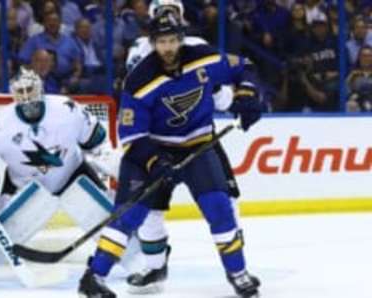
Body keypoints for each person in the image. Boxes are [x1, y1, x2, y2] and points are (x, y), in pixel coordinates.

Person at [78, 12, 263, 298]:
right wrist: (156, 161)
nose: (167, 47)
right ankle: (94, 278)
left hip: (197, 146)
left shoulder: (202, 56)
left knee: (220, 209)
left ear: (181, 39)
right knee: (129, 215)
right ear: (152, 43)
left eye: (172, 40)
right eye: (161, 41)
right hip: (151, 150)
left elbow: (245, 67)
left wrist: (248, 94)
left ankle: (238, 273)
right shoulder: (139, 80)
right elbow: (132, 134)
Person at [0, 69, 114, 283]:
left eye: (30, 89)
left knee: (107, 221)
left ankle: (137, 257)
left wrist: (104, 164)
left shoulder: (67, 109)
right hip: (24, 185)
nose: (26, 96)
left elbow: (97, 140)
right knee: (6, 227)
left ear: (40, 88)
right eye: (21, 91)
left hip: (74, 174)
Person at [123, 1, 243, 294]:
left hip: (199, 139)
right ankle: (154, 267)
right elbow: (132, 94)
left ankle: (237, 264)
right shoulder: (140, 50)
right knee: (151, 210)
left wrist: (232, 97)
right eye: (161, 10)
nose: (168, 15)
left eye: (172, 9)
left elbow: (219, 87)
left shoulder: (197, 45)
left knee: (225, 202)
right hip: (156, 143)